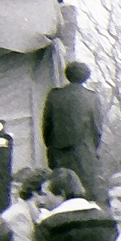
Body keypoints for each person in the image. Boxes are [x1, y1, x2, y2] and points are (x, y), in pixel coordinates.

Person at [40, 62, 104, 200]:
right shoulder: (92, 97)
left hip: (58, 152)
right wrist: (93, 149)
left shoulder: (54, 95)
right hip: (84, 152)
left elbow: (46, 126)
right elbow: (97, 128)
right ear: (86, 77)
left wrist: (52, 146)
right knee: (84, 192)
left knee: (59, 189)